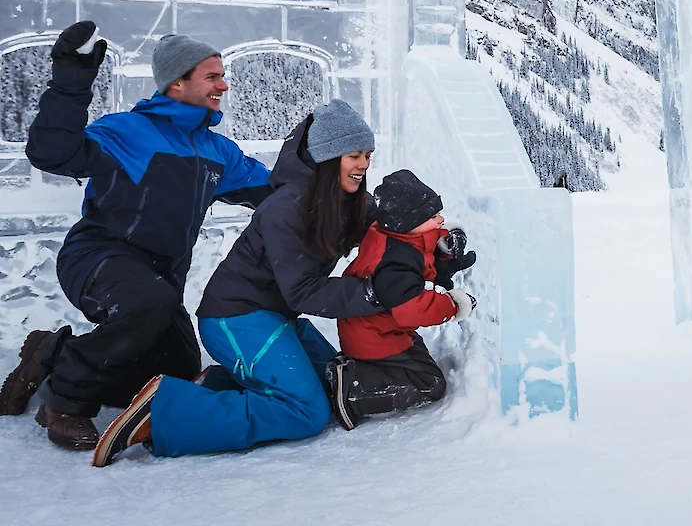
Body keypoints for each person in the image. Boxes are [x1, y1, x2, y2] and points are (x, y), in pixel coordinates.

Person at [91, 100, 448, 466]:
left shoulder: (349, 201)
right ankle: (166, 413)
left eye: (368, 155)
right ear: (327, 157)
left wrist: (438, 247)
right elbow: (304, 291)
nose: (364, 165)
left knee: (331, 383)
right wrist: (375, 294)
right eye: (354, 155)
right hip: (235, 318)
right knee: (306, 412)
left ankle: (213, 388)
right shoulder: (287, 207)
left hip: (274, 319)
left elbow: (393, 232)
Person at [0, 24, 271, 450]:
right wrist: (72, 81)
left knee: (174, 372)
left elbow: (281, 194)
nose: (224, 84)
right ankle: (65, 401)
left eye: (222, 75)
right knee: (148, 303)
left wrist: (352, 197)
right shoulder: (128, 131)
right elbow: (52, 153)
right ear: (178, 83)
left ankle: (49, 354)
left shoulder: (219, 153)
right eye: (212, 76)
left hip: (158, 280)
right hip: (98, 257)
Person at [328, 169, 478, 430]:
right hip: (375, 338)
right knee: (430, 384)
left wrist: (445, 243)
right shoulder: (396, 263)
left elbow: (423, 241)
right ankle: (355, 390)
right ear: (410, 222)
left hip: (377, 330)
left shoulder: (392, 234)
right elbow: (412, 310)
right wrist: (453, 305)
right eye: (433, 217)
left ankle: (362, 369)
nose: (441, 219)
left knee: (416, 356)